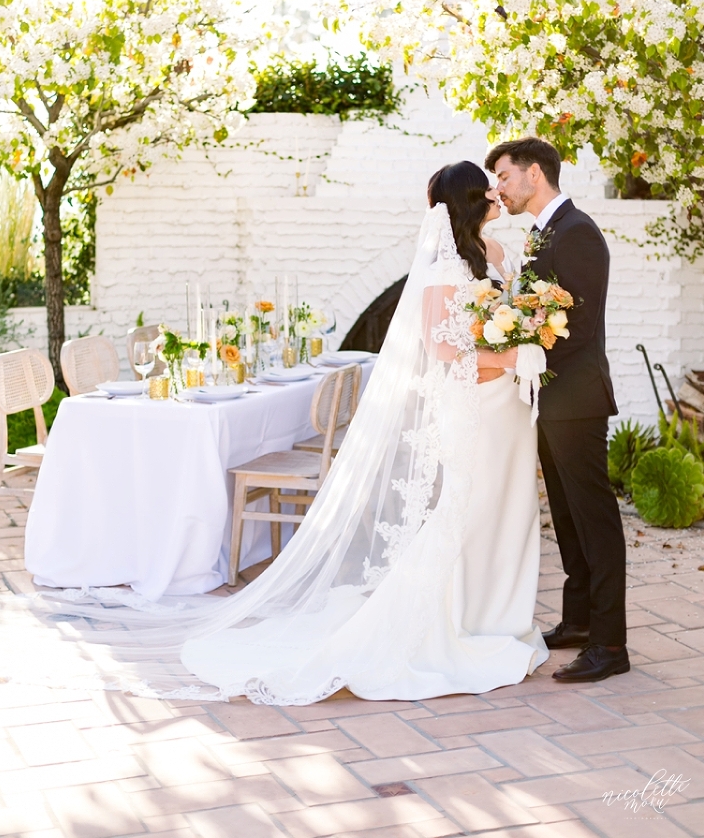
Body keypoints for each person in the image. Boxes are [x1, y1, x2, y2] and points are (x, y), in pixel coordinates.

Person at [178, 161, 549, 703]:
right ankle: (457, 621)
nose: (497, 192)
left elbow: (508, 314)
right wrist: (515, 355)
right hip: (470, 405)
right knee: (467, 511)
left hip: (505, 406)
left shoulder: (495, 254)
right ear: (471, 201)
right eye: (487, 188)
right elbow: (443, 351)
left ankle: (498, 614)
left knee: (505, 511)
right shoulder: (441, 269)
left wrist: (520, 340)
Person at [485, 137, 628, 683]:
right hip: (549, 394)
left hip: (578, 398)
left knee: (594, 517)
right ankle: (579, 620)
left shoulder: (579, 233)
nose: (498, 187)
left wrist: (515, 349)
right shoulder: (544, 233)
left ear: (534, 173)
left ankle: (610, 645)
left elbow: (579, 327)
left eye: (503, 175)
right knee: (566, 515)